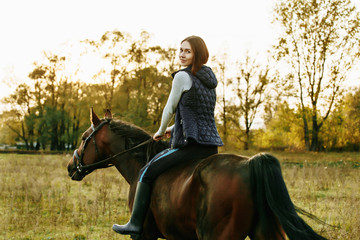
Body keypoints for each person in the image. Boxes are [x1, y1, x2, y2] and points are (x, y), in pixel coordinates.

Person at [112, 35, 223, 236]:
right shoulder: (209, 78)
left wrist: (161, 130)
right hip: (210, 146)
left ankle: (135, 223)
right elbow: (198, 114)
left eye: (188, 51)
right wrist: (174, 129)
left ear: (198, 54)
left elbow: (170, 108)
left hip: (190, 147)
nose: (182, 54)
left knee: (146, 171)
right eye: (181, 50)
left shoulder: (183, 76)